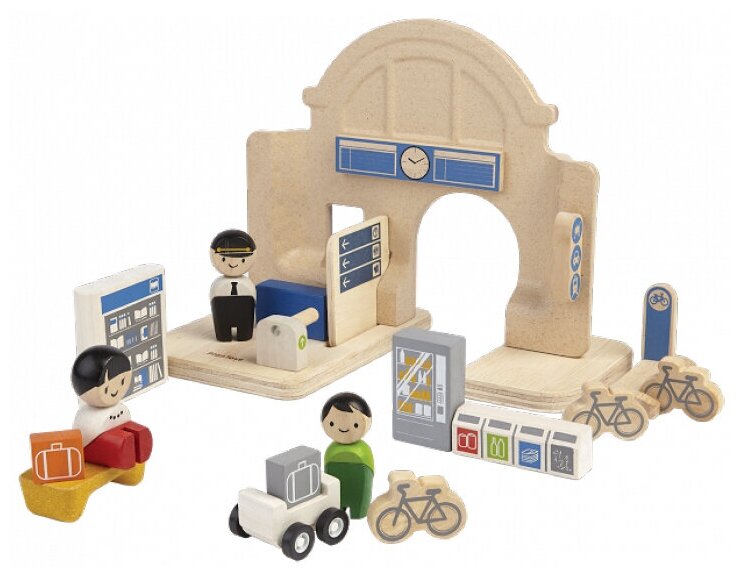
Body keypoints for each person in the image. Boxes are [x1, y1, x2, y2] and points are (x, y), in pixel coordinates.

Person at [72, 345, 153, 469]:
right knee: (123, 442)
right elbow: (88, 440)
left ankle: (132, 455)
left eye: (122, 381)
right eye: (106, 388)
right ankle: (125, 458)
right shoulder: (85, 417)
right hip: (94, 444)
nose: (115, 390)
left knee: (141, 433)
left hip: (114, 429)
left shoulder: (120, 409)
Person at [321, 392, 374, 519]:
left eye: (356, 424)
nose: (343, 428)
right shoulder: (331, 450)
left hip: (359, 482)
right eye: (332, 423)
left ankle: (359, 512)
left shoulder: (363, 451)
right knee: (336, 499)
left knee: (359, 504)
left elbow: (369, 474)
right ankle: (341, 509)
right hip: (337, 490)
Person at [209, 229, 257, 341]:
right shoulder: (218, 285)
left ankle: (244, 334)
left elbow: (253, 302)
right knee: (222, 330)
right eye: (224, 259)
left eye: (242, 260)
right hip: (221, 306)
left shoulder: (248, 284)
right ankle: (223, 335)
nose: (233, 263)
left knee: (245, 329)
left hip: (245, 306)